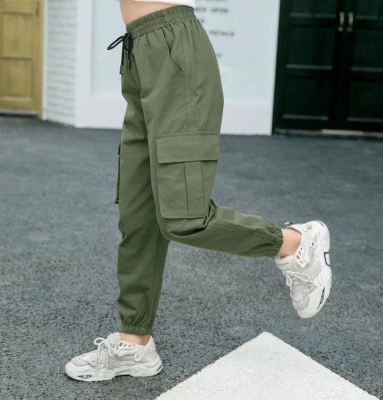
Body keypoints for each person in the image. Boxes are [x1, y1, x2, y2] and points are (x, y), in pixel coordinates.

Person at [65, 0, 332, 382]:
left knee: (184, 217)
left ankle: (294, 243)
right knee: (139, 216)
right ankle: (135, 343)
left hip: (174, 52)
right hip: (140, 52)